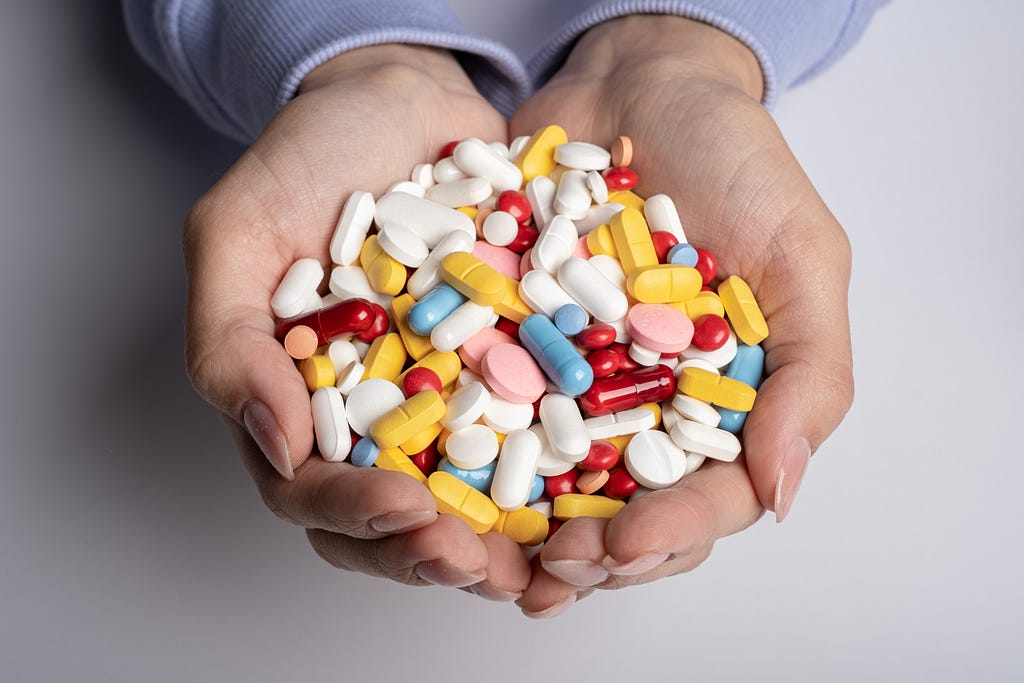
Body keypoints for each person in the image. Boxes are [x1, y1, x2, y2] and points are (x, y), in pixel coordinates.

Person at [123, 0, 880, 618]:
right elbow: (440, 325)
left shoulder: (605, 311)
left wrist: (685, 49)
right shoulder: (453, 278)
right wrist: (350, 59)